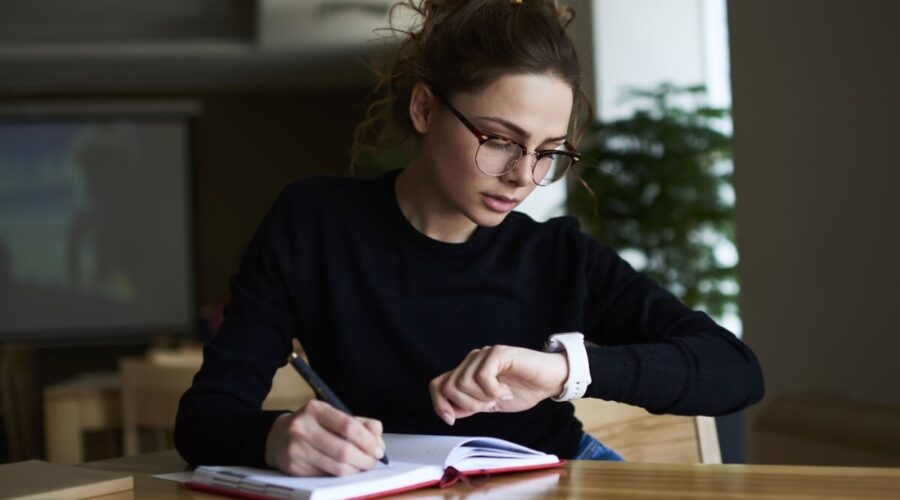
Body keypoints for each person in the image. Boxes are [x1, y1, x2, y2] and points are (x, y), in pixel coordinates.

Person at [174, 0, 764, 477]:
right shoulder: (314, 222)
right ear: (426, 109)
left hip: (558, 476)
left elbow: (735, 371)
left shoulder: (556, 254)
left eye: (548, 153)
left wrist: (563, 372)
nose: (523, 177)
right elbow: (205, 418)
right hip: (390, 487)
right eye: (500, 140)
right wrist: (276, 437)